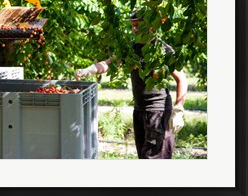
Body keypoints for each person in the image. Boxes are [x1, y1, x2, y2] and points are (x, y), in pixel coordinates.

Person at [75, 10, 188, 159]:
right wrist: (90, 70)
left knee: (154, 157)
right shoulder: (131, 49)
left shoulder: (162, 50)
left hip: (158, 111)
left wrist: (178, 109)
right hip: (139, 109)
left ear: (151, 27)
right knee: (143, 154)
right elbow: (110, 63)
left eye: (138, 25)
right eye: (133, 26)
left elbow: (182, 79)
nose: (134, 29)